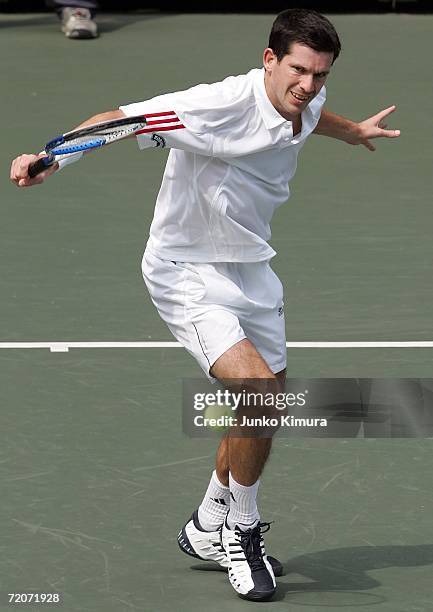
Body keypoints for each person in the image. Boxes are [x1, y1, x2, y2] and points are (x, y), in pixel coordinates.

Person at [10, 8, 400, 602]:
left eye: (320, 74)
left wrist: (353, 131)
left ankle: (205, 526)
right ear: (269, 60)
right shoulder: (214, 105)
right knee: (259, 393)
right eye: (299, 70)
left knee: (261, 411)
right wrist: (52, 155)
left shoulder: (306, 96)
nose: (309, 85)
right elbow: (121, 120)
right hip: (184, 270)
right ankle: (241, 532)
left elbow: (315, 116)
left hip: (251, 270)